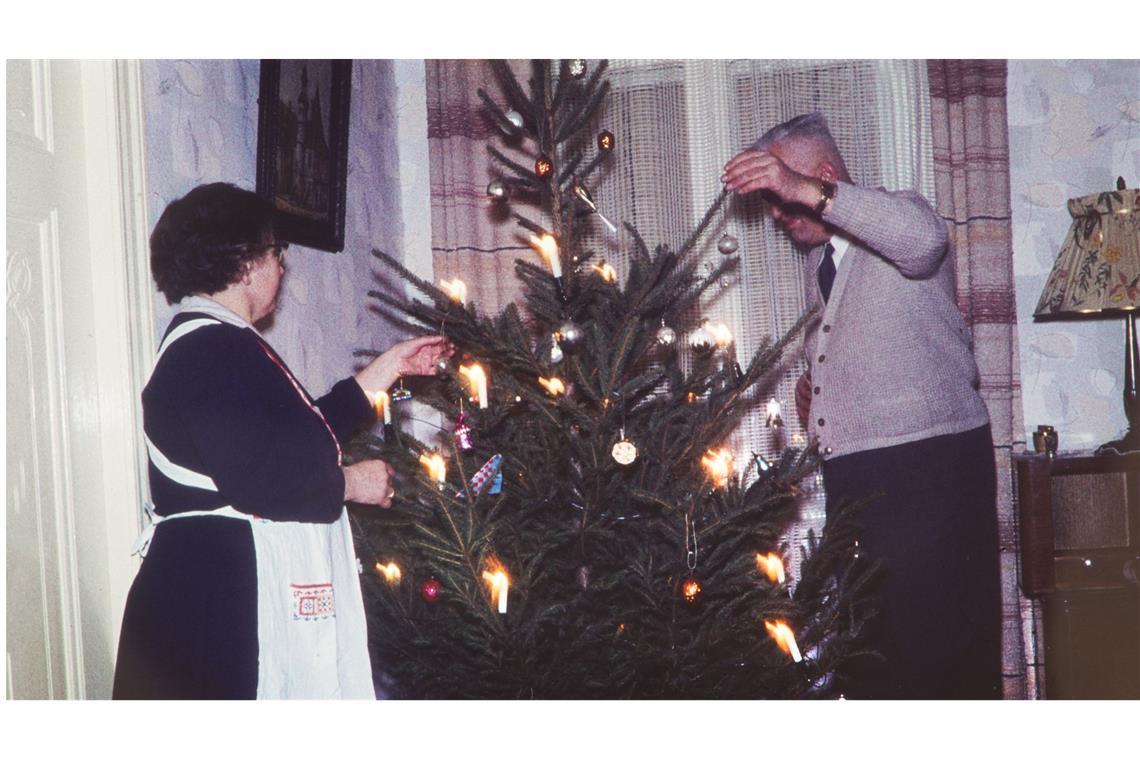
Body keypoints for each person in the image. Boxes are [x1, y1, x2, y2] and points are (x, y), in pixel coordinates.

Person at [112, 182, 451, 699]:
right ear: (246, 263)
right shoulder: (211, 349)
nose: (282, 265)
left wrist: (386, 370)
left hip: (211, 599)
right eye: (276, 252)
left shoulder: (216, 342)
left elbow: (291, 440)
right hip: (213, 614)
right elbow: (265, 479)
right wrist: (350, 484)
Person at [722, 113, 1001, 699]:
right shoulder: (821, 265)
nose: (776, 211)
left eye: (784, 194)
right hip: (860, 482)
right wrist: (818, 400)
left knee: (938, 660)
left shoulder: (900, 219)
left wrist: (800, 189)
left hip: (927, 474)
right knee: (873, 659)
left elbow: (925, 241)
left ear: (821, 177)